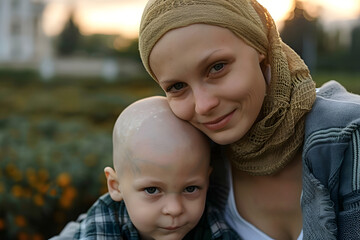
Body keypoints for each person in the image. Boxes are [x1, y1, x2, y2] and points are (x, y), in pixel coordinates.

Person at [52, 0, 360, 239]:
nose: (204, 105)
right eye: (177, 87)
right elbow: (106, 216)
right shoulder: (196, 148)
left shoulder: (348, 135)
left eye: (217, 67)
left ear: (262, 50)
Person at [57, 96, 239, 240]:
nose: (174, 209)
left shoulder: (213, 228)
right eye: (152, 190)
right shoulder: (101, 225)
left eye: (190, 189)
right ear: (115, 186)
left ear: (207, 181)